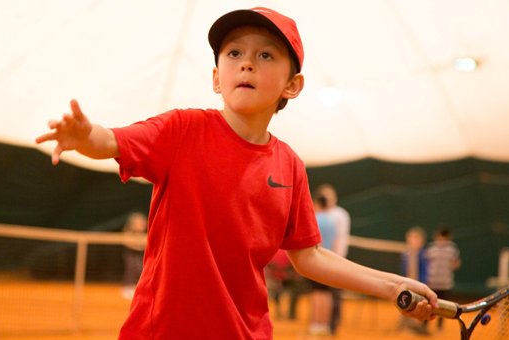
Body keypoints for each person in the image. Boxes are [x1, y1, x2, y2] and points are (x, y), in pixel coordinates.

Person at [36, 7, 437, 339]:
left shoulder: (290, 165)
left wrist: (392, 285)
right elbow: (112, 142)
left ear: (292, 85)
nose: (246, 62)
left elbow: (309, 256)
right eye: (233, 53)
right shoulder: (181, 130)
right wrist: (85, 135)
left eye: (266, 55)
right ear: (216, 78)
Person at [316, 183, 351, 335]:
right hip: (323, 260)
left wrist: (337, 259)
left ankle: (332, 325)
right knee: (326, 292)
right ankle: (325, 324)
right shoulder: (325, 216)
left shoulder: (339, 215)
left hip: (335, 259)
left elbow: (340, 238)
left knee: (333, 293)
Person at [306, 195, 337, 335]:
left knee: (317, 293)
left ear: (318, 204)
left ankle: (316, 325)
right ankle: (324, 325)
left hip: (317, 261)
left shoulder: (316, 219)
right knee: (326, 294)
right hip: (330, 261)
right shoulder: (332, 221)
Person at [425, 226, 461, 331]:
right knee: (428, 305)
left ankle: (439, 326)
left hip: (445, 284)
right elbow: (426, 263)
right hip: (432, 283)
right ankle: (425, 325)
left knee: (443, 307)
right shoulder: (431, 248)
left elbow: (456, 263)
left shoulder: (452, 249)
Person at [400, 226, 429, 335]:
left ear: (421, 241)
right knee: (406, 304)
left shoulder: (423, 254)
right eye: (410, 238)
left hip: (420, 285)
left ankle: (421, 327)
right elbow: (403, 270)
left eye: (415, 238)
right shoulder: (405, 254)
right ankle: (407, 324)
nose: (412, 240)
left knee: (420, 306)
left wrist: (422, 284)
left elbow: (425, 271)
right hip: (407, 285)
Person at [264, 248, 302, 320]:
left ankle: (292, 312)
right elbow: (268, 266)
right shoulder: (272, 251)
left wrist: (288, 275)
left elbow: (294, 267)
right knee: (275, 291)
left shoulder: (289, 251)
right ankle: (279, 311)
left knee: (295, 290)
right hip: (276, 278)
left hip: (288, 278)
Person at [121, 211, 148, 299]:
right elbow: (127, 241)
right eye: (137, 223)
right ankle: (128, 286)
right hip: (131, 253)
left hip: (142, 254)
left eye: (141, 222)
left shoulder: (147, 232)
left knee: (142, 268)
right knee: (131, 268)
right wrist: (137, 245)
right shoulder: (128, 231)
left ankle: (140, 286)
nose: (140, 224)